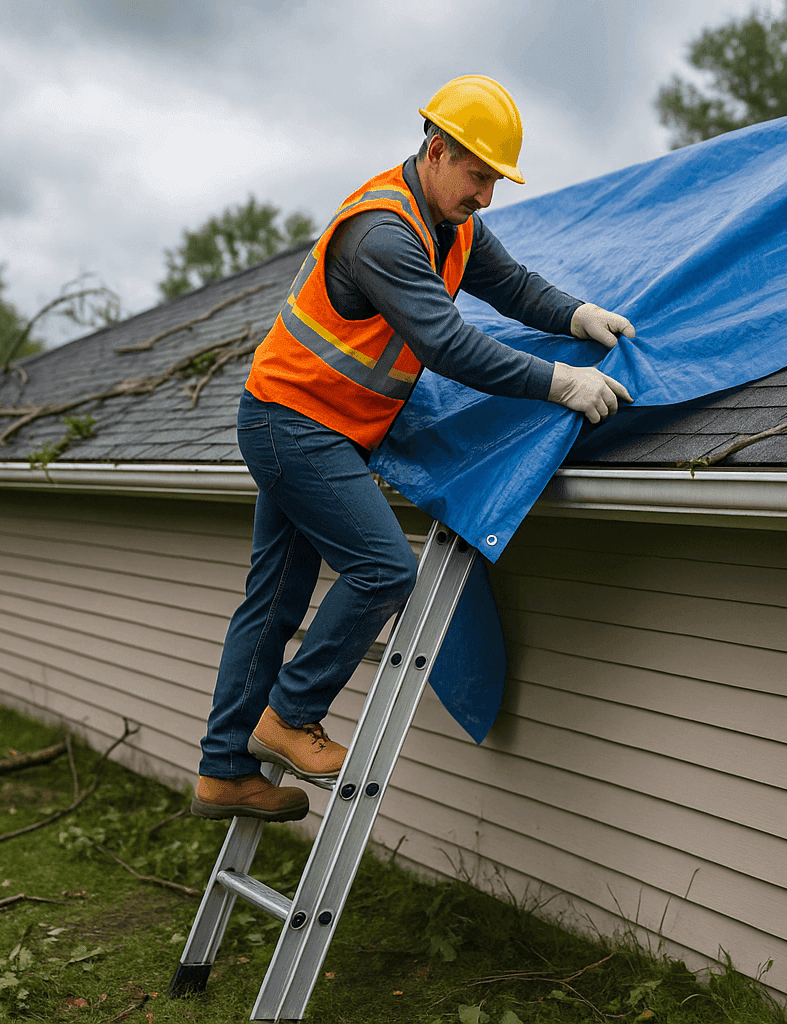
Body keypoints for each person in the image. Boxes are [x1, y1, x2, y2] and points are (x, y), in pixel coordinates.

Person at [192, 74, 634, 821]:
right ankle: (289, 717)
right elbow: (447, 341)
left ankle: (224, 772)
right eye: (478, 174)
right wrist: (559, 383)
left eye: (495, 180)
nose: (486, 195)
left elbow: (513, 287)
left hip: (314, 425)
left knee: (273, 601)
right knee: (383, 568)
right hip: (292, 423)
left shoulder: (451, 223)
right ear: (436, 151)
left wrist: (576, 313)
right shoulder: (384, 233)